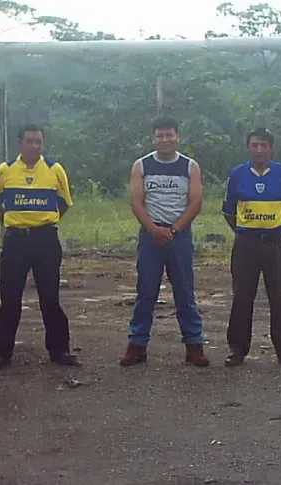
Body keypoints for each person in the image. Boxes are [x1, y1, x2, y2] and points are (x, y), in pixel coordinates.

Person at [0, 123, 79, 370]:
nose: (35, 146)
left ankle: (60, 350)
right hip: (16, 240)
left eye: (39, 141)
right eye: (30, 141)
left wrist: (43, 222)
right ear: (20, 144)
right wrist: (13, 222)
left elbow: (64, 203)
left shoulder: (54, 169)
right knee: (10, 299)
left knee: (50, 298)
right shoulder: (5, 170)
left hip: (46, 240)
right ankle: (2, 353)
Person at [120, 116, 209, 367]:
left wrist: (175, 230)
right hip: (150, 236)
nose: (165, 139)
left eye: (169, 135)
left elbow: (196, 202)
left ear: (177, 136)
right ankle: (137, 346)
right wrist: (153, 229)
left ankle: (194, 346)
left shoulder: (190, 166)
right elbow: (136, 202)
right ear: (153, 138)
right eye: (160, 135)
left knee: (185, 293)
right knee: (146, 292)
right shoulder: (141, 165)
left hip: (179, 237)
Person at [221, 128, 281, 368]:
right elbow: (228, 211)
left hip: (275, 246)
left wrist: (278, 230)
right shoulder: (237, 174)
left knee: (279, 299)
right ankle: (237, 350)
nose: (259, 150)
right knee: (242, 298)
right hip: (246, 246)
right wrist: (245, 231)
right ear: (248, 147)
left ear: (271, 148)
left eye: (264, 145)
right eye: (255, 145)